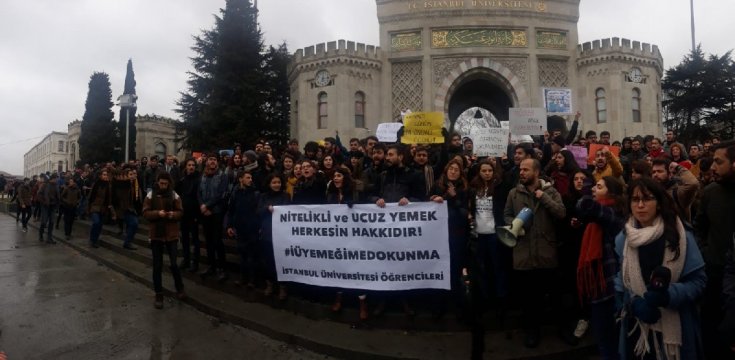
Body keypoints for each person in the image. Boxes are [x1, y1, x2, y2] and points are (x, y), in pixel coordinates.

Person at [615, 177, 706, 360]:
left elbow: (698, 281)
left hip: (675, 331)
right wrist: (633, 303)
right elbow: (620, 281)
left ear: (658, 203)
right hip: (637, 330)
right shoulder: (623, 239)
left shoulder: (680, 237)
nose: (640, 205)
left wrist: (669, 296)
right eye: (635, 199)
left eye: (647, 199)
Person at [503, 158, 566, 348]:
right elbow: (506, 214)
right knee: (529, 299)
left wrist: (543, 197)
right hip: (524, 254)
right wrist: (515, 225)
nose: (521, 172)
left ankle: (562, 329)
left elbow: (561, 213)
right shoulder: (514, 193)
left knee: (555, 297)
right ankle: (532, 332)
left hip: (546, 253)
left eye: (526, 169)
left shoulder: (551, 191)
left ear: (536, 172)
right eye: (521, 169)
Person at [575, 176, 627, 359]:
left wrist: (586, 184)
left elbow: (586, 206)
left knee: (612, 341)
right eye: (594, 187)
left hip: (611, 287)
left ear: (611, 192)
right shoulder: (599, 216)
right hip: (599, 287)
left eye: (599, 187)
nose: (594, 190)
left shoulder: (614, 213)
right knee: (604, 340)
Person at [697, 140, 735, 359]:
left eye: (719, 162)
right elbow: (700, 228)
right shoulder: (710, 192)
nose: (712, 167)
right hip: (713, 274)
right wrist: (706, 253)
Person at [142, 172, 185, 309]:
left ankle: (180, 288)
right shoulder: (150, 195)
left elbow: (181, 211)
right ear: (158, 182)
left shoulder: (174, 195)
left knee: (173, 263)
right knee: (157, 265)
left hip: (171, 233)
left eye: (166, 184)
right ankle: (158, 294)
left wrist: (173, 214)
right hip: (156, 233)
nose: (163, 186)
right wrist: (157, 214)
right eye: (161, 183)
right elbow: (145, 212)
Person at [257, 173, 291, 300]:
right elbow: (258, 211)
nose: (277, 185)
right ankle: (270, 284)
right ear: (269, 184)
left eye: (278, 182)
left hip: (281, 234)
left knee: (281, 261)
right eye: (274, 182)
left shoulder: (285, 196)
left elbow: (288, 210)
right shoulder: (263, 196)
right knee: (268, 260)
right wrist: (267, 208)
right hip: (267, 232)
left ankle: (282, 287)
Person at [225, 171, 261, 287]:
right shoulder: (236, 193)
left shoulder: (255, 193)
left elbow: (258, 212)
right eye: (247, 177)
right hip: (240, 228)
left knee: (252, 255)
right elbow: (231, 210)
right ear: (241, 179)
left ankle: (252, 279)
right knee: (242, 255)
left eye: (251, 177)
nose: (250, 180)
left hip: (252, 228)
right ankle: (243, 278)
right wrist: (229, 225)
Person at [198, 153, 230, 282]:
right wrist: (201, 205)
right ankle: (211, 266)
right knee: (208, 241)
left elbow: (221, 194)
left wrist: (208, 206)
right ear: (207, 162)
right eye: (210, 159)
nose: (212, 162)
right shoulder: (203, 176)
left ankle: (222, 269)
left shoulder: (222, 176)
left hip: (216, 213)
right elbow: (198, 192)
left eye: (215, 160)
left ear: (217, 162)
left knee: (217, 241)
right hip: (204, 212)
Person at [650, 158, 699, 224]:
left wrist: (678, 167)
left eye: (660, 171)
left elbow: (693, 184)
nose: (655, 175)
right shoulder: (651, 192)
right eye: (653, 172)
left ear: (670, 174)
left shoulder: (677, 193)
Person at [176, 158, 201, 272]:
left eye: (193, 165)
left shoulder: (199, 179)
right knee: (184, 238)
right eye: (189, 165)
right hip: (184, 213)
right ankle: (186, 260)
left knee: (195, 239)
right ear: (185, 166)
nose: (191, 167)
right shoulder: (182, 179)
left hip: (194, 213)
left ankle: (195, 262)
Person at [111, 167, 140, 250]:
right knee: (134, 223)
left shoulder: (134, 184)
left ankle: (128, 242)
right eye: (130, 175)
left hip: (130, 208)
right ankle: (127, 242)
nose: (132, 176)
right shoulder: (123, 185)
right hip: (123, 208)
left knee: (132, 224)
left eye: (133, 174)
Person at [87, 169, 115, 248]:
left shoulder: (109, 186)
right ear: (100, 176)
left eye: (106, 175)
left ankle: (95, 240)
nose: (106, 176)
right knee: (96, 222)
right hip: (95, 206)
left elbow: (109, 198)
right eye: (104, 175)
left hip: (103, 208)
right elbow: (91, 196)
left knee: (99, 225)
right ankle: (92, 239)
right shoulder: (96, 184)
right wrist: (89, 207)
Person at [37, 173, 61, 244]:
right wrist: (44, 202)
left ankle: (49, 238)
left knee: (52, 222)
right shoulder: (45, 185)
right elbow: (39, 194)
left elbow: (58, 196)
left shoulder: (56, 186)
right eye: (56, 178)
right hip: (45, 206)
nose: (57, 180)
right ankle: (41, 235)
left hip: (53, 206)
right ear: (53, 179)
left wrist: (57, 204)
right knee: (44, 222)